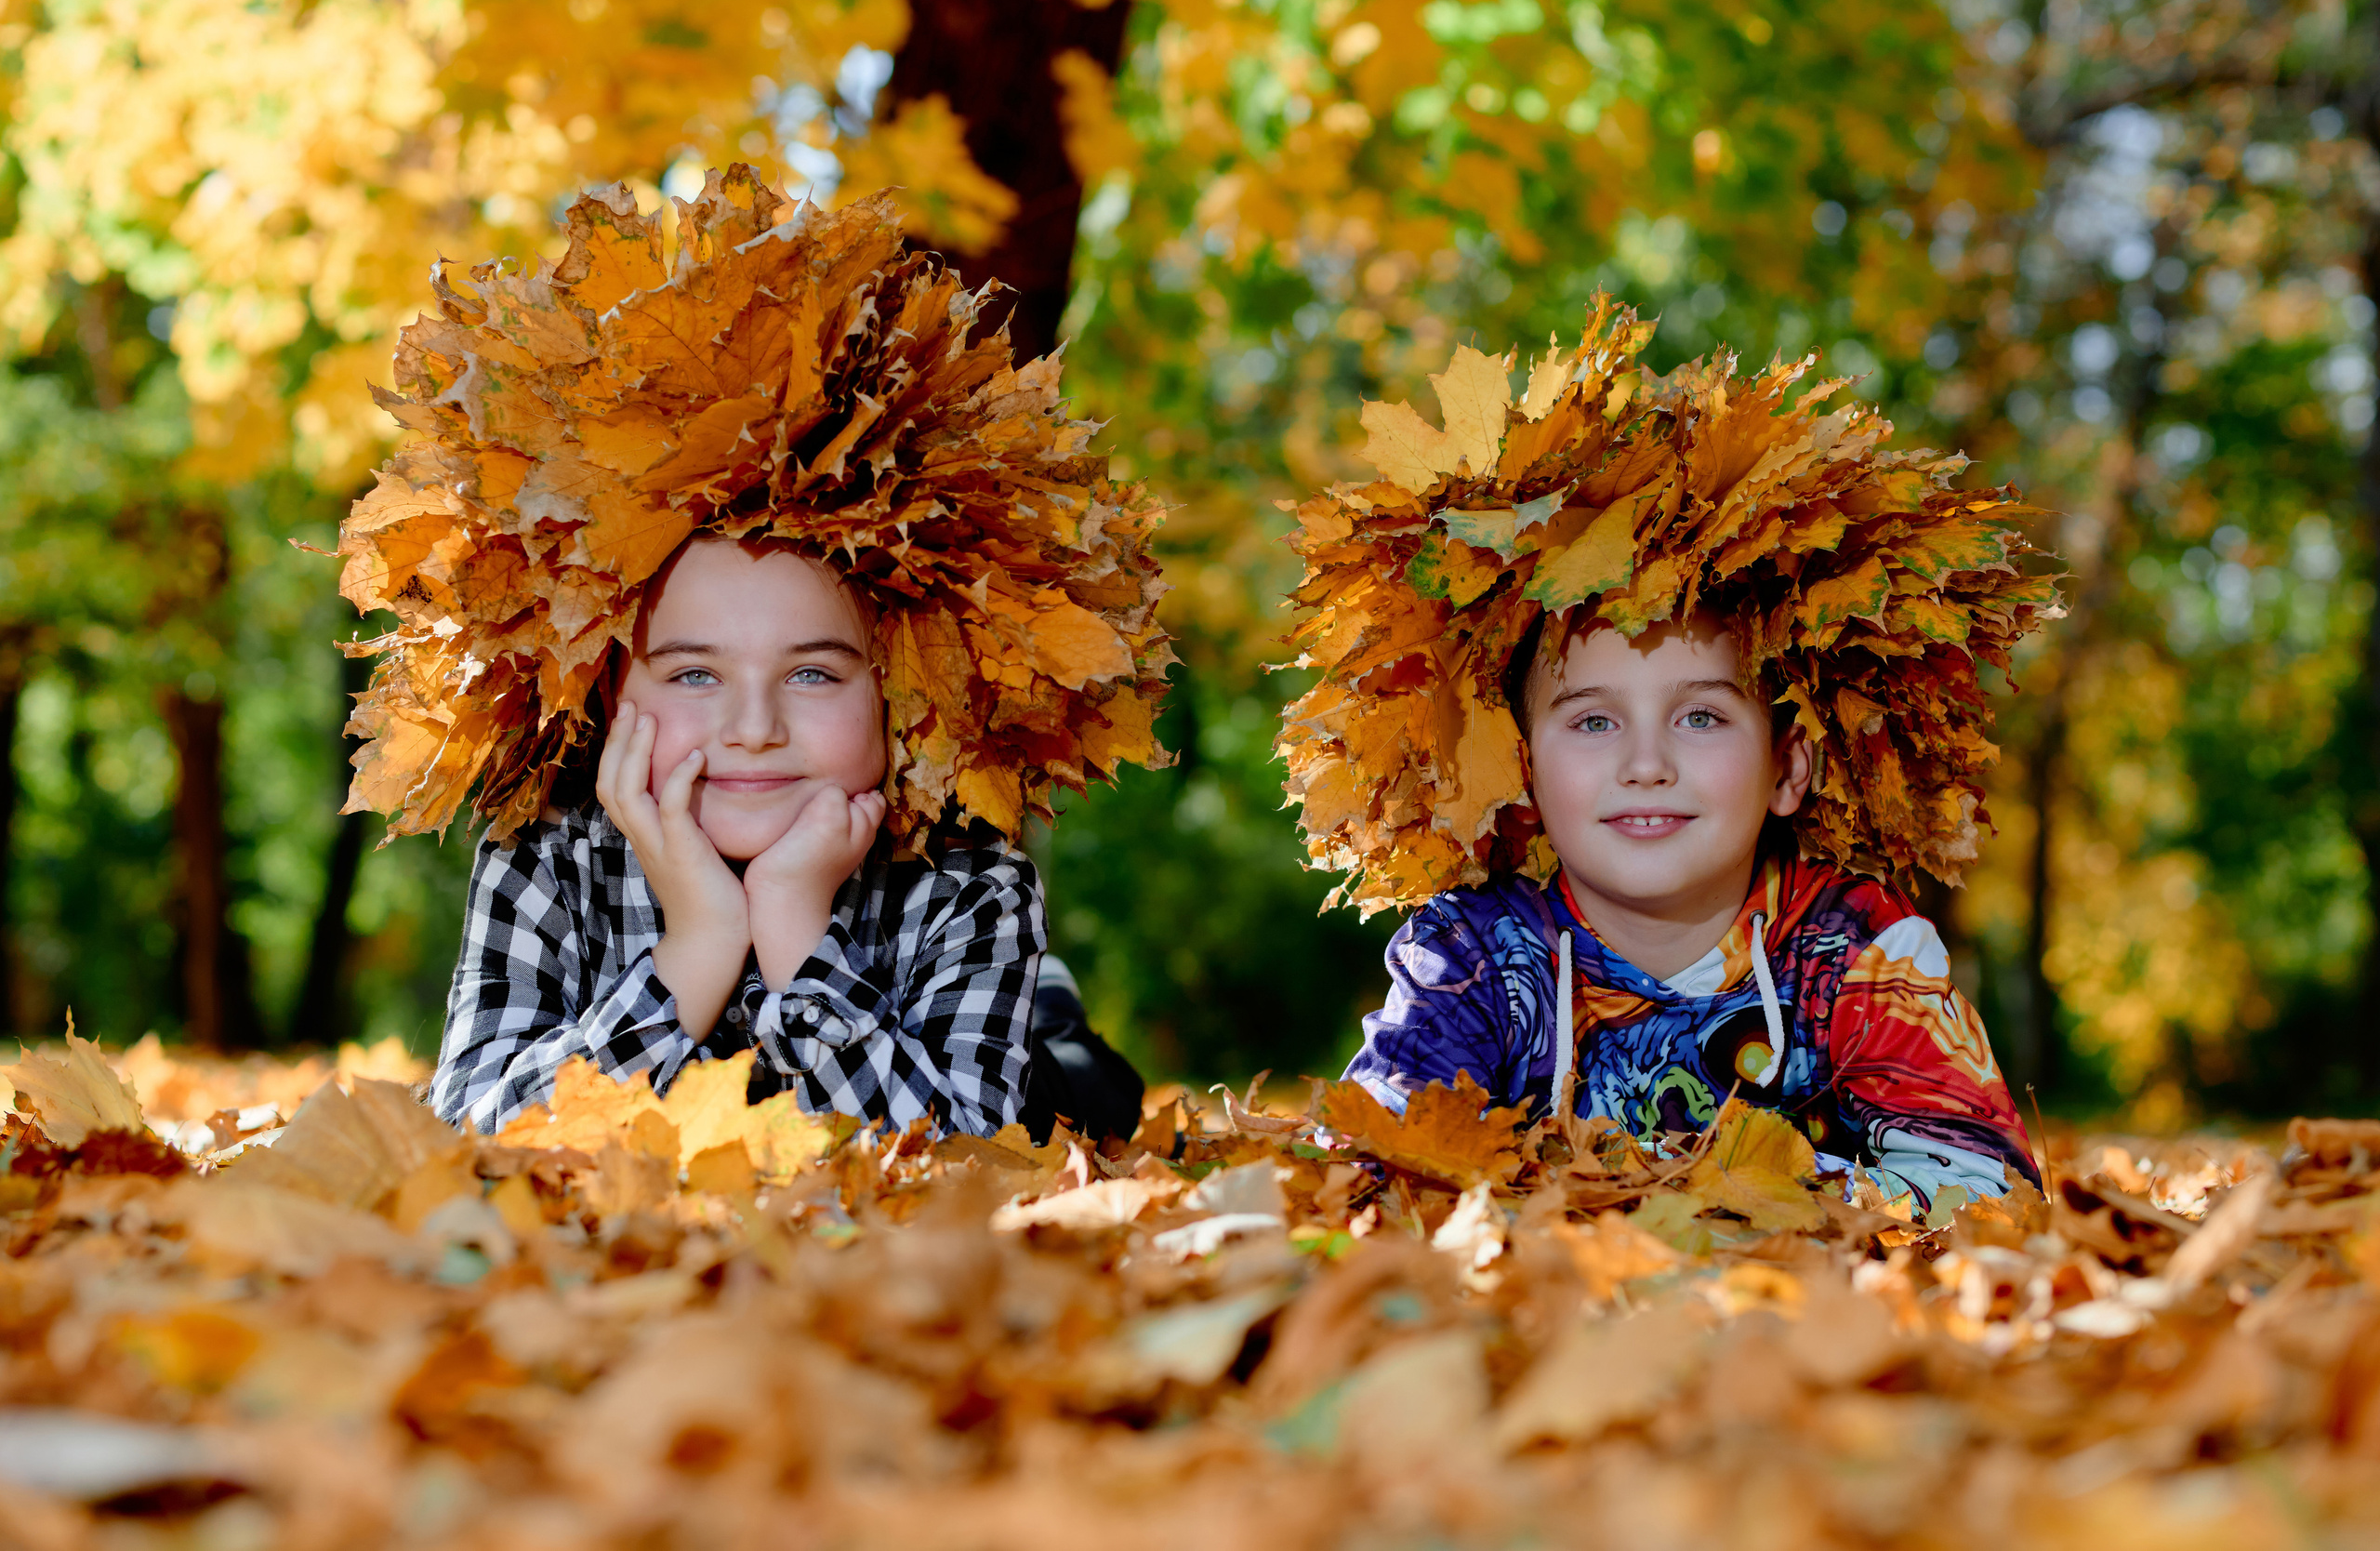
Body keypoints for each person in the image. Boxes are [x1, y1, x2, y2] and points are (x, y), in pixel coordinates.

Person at [331, 168, 1169, 1137]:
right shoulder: (547, 860)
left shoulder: (965, 878)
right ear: (606, 690)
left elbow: (964, 1149)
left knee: (1083, 1088)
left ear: (898, 686)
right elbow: (480, 1129)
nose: (756, 729)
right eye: (694, 674)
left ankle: (1054, 1012)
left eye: (812, 673)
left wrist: (792, 922)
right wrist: (700, 945)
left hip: (1032, 1081)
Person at [1276, 300, 2064, 1204]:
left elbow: (1984, 1186)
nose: (1644, 763)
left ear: (1788, 769)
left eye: (1699, 718)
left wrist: (1764, 1204)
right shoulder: (1479, 957)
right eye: (1593, 722)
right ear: (1526, 769)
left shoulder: (1854, 953)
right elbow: (1373, 1162)